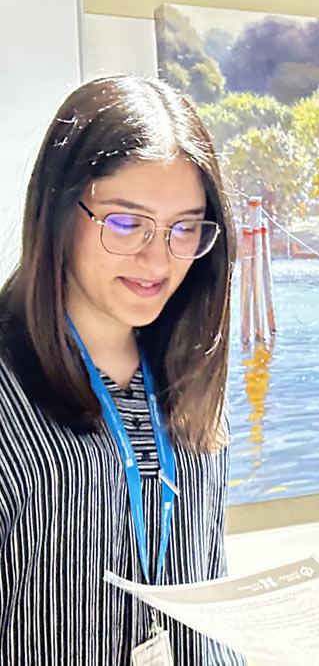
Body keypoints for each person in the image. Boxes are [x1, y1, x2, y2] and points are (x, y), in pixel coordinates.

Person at [0, 76, 245, 664]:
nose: (158, 258)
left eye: (185, 227)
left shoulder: (190, 372)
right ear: (60, 210)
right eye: (127, 222)